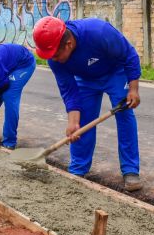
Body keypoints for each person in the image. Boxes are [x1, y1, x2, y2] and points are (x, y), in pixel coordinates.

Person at [32, 16, 143, 192]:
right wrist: (73, 122)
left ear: (68, 44)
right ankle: (78, 169)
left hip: (115, 72)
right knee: (82, 123)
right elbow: (69, 91)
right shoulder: (54, 59)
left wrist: (133, 89)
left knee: (124, 115)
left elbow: (129, 55)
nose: (54, 59)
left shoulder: (98, 32)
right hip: (85, 80)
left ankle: (130, 170)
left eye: (56, 55)